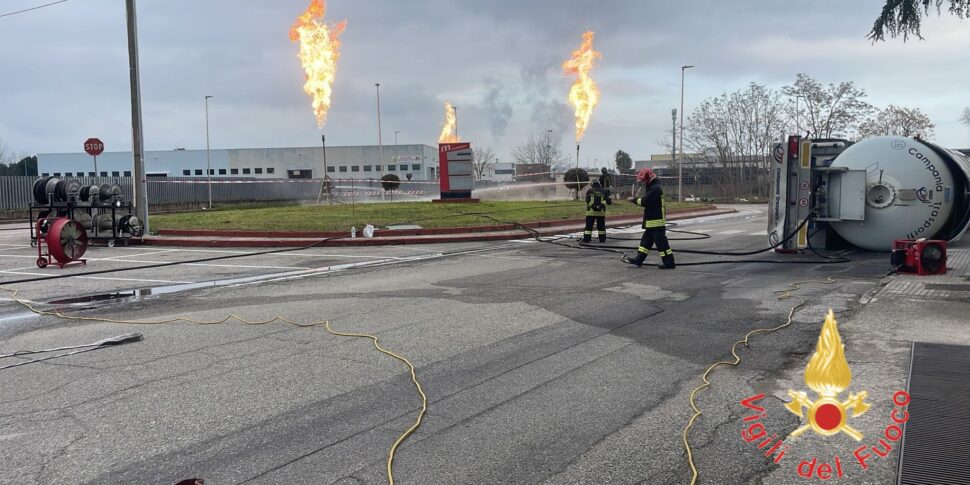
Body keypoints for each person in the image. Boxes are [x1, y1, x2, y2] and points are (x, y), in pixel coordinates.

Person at [622, 168, 675, 269]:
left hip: (656, 221)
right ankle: (639, 260)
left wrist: (634, 200)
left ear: (648, 178)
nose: (643, 183)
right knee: (645, 242)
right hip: (652, 221)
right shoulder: (652, 187)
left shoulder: (655, 189)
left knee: (662, 244)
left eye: (643, 180)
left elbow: (645, 201)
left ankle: (669, 263)